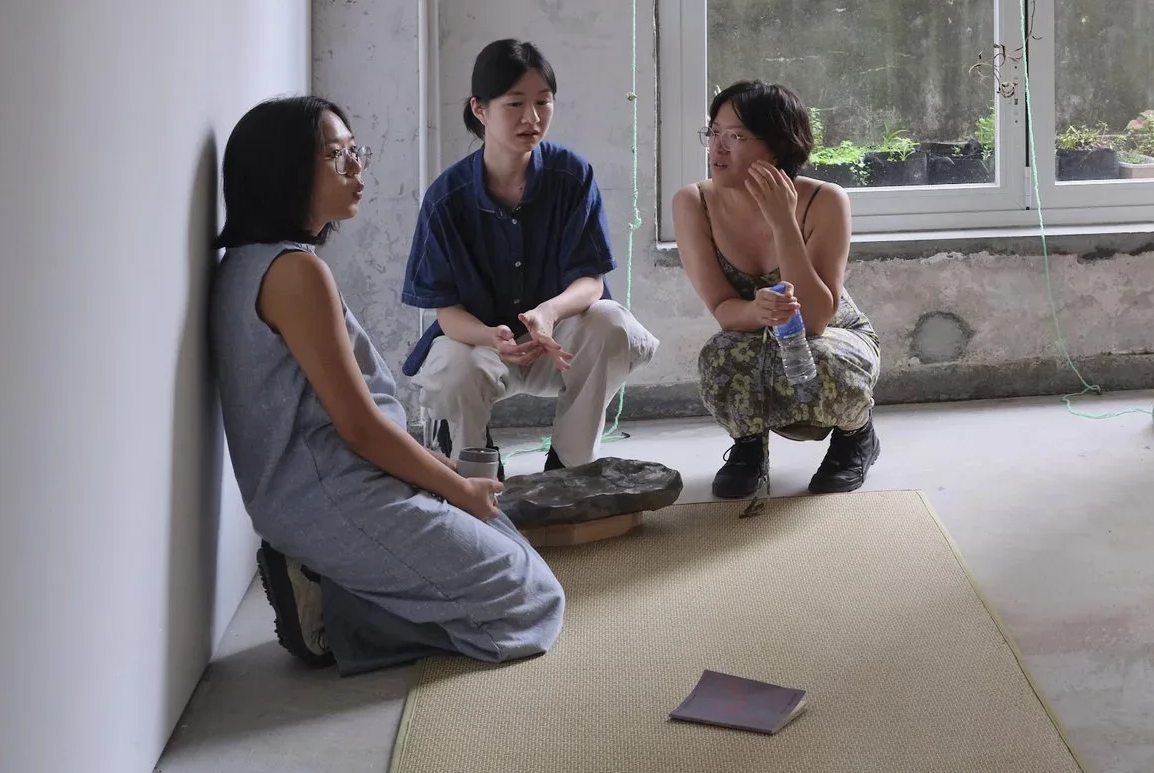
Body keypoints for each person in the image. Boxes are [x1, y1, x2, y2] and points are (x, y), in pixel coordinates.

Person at [212, 95, 564, 673]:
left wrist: (446, 476)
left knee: (504, 534)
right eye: (337, 156)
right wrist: (455, 489)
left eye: (356, 151)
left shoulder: (255, 261)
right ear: (284, 170)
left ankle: (336, 580)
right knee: (532, 601)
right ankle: (330, 612)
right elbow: (358, 427)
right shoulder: (294, 273)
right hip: (331, 496)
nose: (357, 168)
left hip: (339, 481)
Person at [402, 39, 658, 471]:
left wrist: (549, 313)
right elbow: (446, 312)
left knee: (611, 322)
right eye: (515, 103)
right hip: (481, 349)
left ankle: (569, 464)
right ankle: (474, 462)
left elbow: (590, 281)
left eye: (543, 101)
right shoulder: (446, 198)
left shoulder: (571, 175)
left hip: (555, 343)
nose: (532, 117)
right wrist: (492, 337)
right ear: (480, 109)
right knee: (452, 365)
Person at [673, 81, 881, 498]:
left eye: (735, 136)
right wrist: (758, 312)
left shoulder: (825, 200)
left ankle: (855, 436)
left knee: (823, 359)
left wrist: (783, 222)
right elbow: (723, 307)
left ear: (776, 147)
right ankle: (749, 446)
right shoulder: (693, 202)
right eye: (713, 132)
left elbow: (816, 319)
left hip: (831, 333)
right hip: (751, 330)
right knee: (719, 356)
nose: (717, 148)